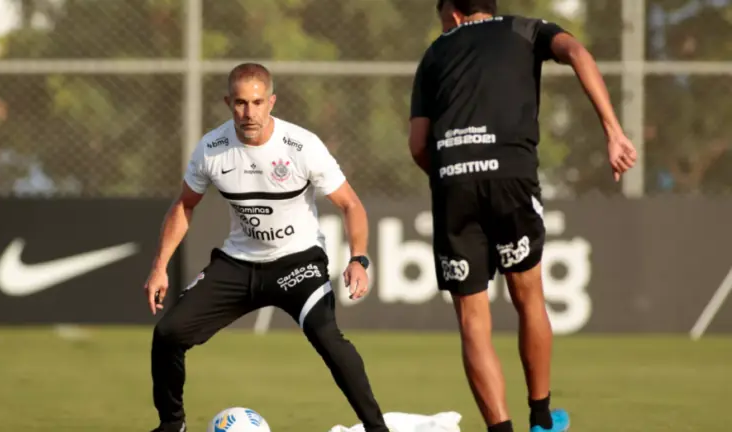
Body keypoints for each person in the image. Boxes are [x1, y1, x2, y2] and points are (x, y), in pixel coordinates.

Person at [407, 1, 637, 432]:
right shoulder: (526, 29)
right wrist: (613, 131)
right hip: (510, 176)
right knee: (529, 297)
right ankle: (541, 418)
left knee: (472, 320)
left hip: (453, 178)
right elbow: (578, 53)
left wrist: (453, 178)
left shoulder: (435, 53)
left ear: (452, 14)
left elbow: (419, 144)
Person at [143, 62, 390, 432]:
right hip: (238, 264)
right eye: (241, 103)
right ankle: (172, 424)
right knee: (167, 334)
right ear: (228, 103)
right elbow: (184, 205)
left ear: (271, 102)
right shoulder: (211, 148)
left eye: (257, 102)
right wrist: (160, 266)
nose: (249, 112)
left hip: (298, 262)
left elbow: (350, 204)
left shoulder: (302, 146)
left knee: (328, 338)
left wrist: (359, 258)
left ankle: (377, 430)